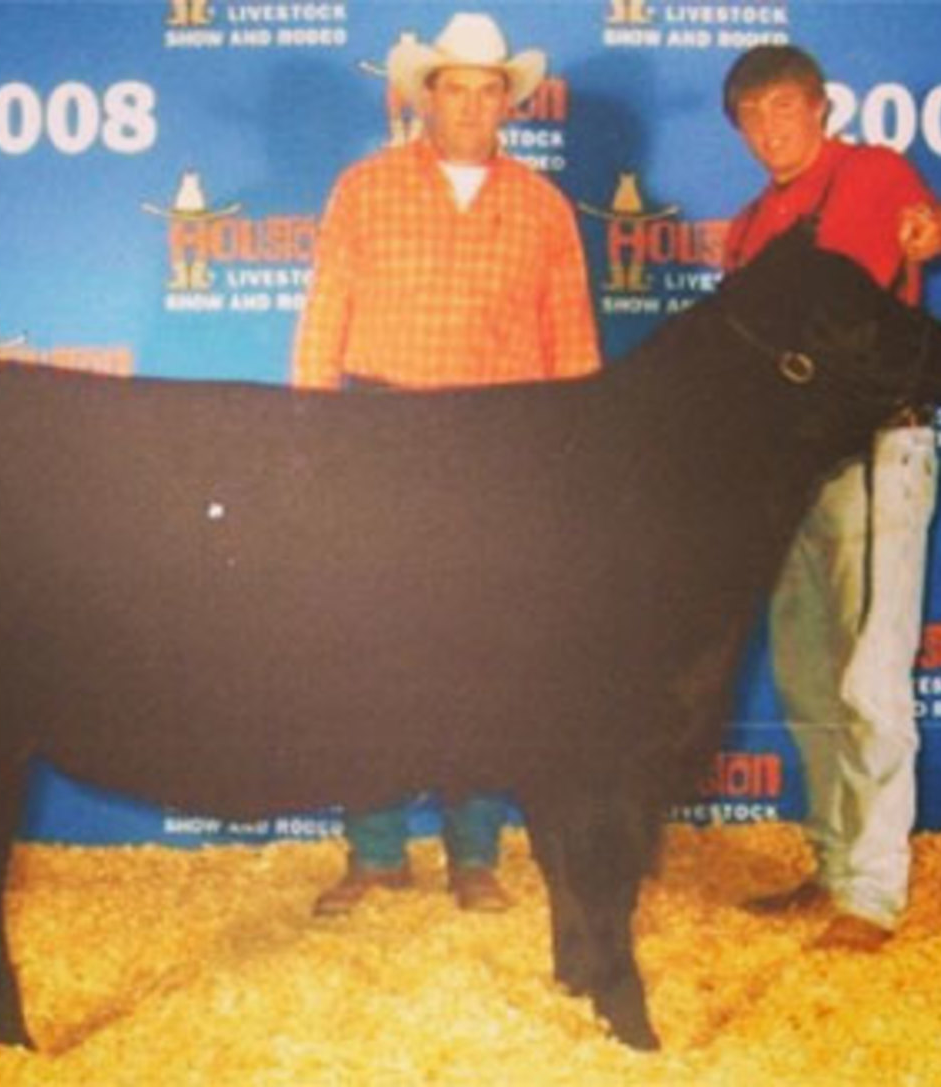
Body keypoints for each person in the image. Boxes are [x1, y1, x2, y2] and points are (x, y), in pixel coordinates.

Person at [292, 12, 600, 915]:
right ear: (422, 96)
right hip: (380, 433)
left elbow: (572, 348)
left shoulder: (545, 207)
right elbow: (324, 317)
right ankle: (377, 850)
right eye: (453, 88)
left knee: (488, 651)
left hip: (503, 449)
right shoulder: (364, 188)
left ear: (510, 101)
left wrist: (571, 470)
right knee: (373, 645)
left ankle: (475, 854)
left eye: (487, 89)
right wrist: (313, 438)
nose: (470, 105)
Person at [721, 45, 941, 951]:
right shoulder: (748, 228)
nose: (772, 127)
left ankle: (873, 892)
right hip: (791, 469)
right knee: (810, 676)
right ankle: (831, 860)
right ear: (742, 131)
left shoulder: (869, 172)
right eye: (754, 116)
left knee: (870, 679)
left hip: (872, 450)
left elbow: (922, 229)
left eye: (786, 108)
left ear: (821, 108)